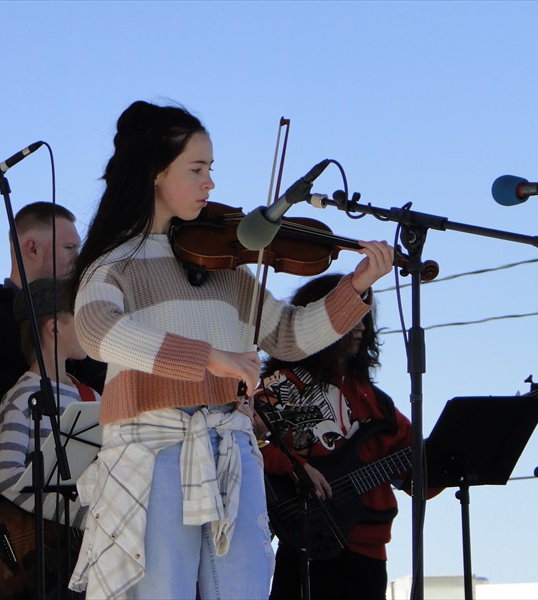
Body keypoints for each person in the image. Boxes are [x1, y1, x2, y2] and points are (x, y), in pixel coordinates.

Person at [66, 100, 395, 599]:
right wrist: (208, 358)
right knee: (162, 591)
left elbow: (287, 335)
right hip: (154, 449)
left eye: (210, 169)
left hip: (231, 445)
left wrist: (356, 287)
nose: (210, 184)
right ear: (155, 174)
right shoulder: (116, 264)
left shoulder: (227, 269)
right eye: (196, 169)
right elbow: (95, 329)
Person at [254, 273, 417, 600]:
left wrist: (450, 458)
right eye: (351, 319)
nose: (360, 328)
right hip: (305, 540)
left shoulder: (376, 401)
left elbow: (421, 477)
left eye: (364, 319)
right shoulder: (287, 384)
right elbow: (241, 439)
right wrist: (295, 466)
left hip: (369, 553)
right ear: (318, 321)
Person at [0, 201, 105, 415]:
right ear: (33, 249)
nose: (78, 258)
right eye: (69, 248)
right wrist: (46, 397)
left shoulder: (76, 315)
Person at [0, 277, 100, 521]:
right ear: (54, 329)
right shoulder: (22, 397)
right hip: (66, 539)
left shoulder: (91, 396)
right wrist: (77, 516)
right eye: (80, 317)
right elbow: (6, 476)